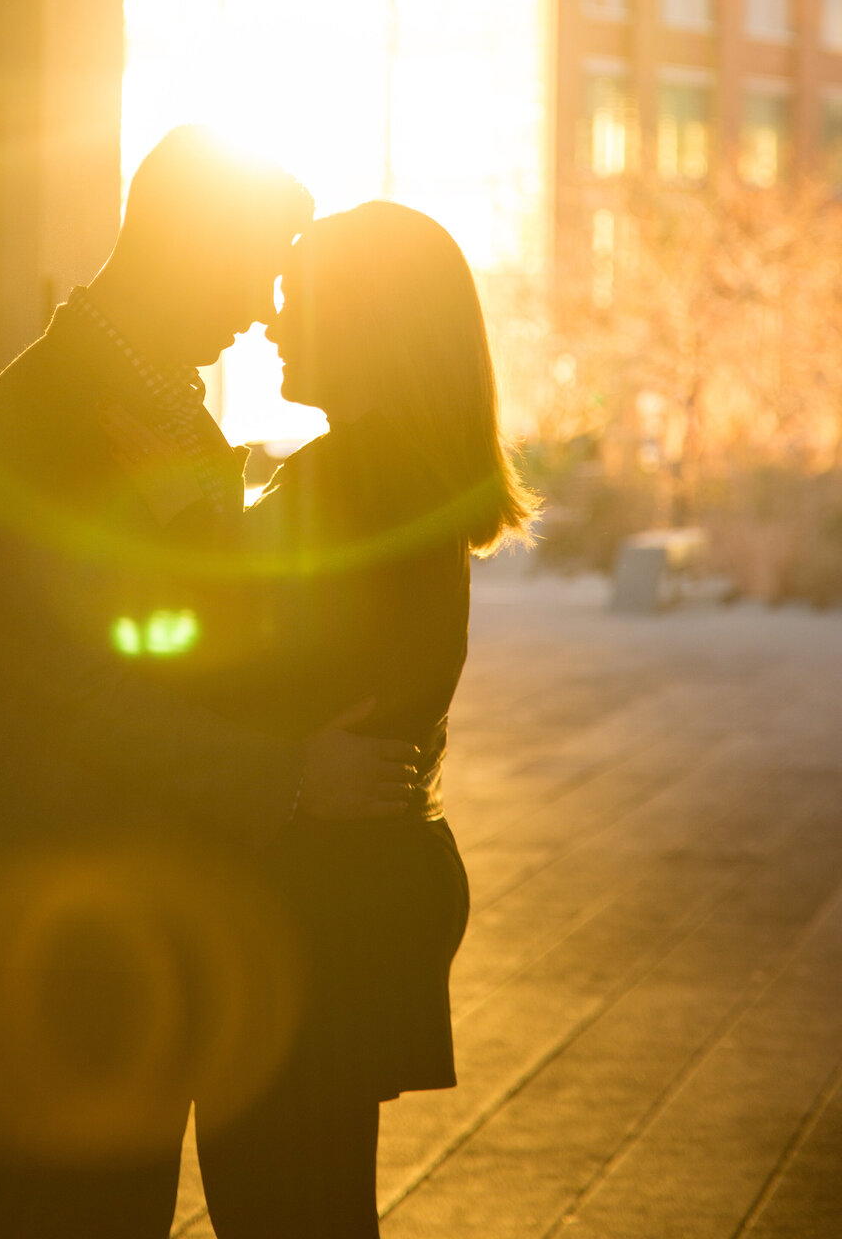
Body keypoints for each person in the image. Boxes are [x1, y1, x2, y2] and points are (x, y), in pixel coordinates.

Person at [0, 129, 419, 1239]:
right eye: (259, 264)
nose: (267, 305)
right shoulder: (50, 411)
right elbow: (76, 687)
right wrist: (294, 776)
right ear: (190, 249)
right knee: (71, 1211)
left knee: (108, 1207)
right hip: (61, 896)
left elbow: (187, 626)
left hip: (128, 894)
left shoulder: (158, 396)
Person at [185, 201, 539, 1237]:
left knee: (279, 1203)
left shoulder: (345, 483)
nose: (273, 326)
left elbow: (204, 669)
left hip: (310, 904)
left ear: (364, 317)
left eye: (297, 299)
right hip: (366, 887)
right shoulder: (409, 478)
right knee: (318, 1200)